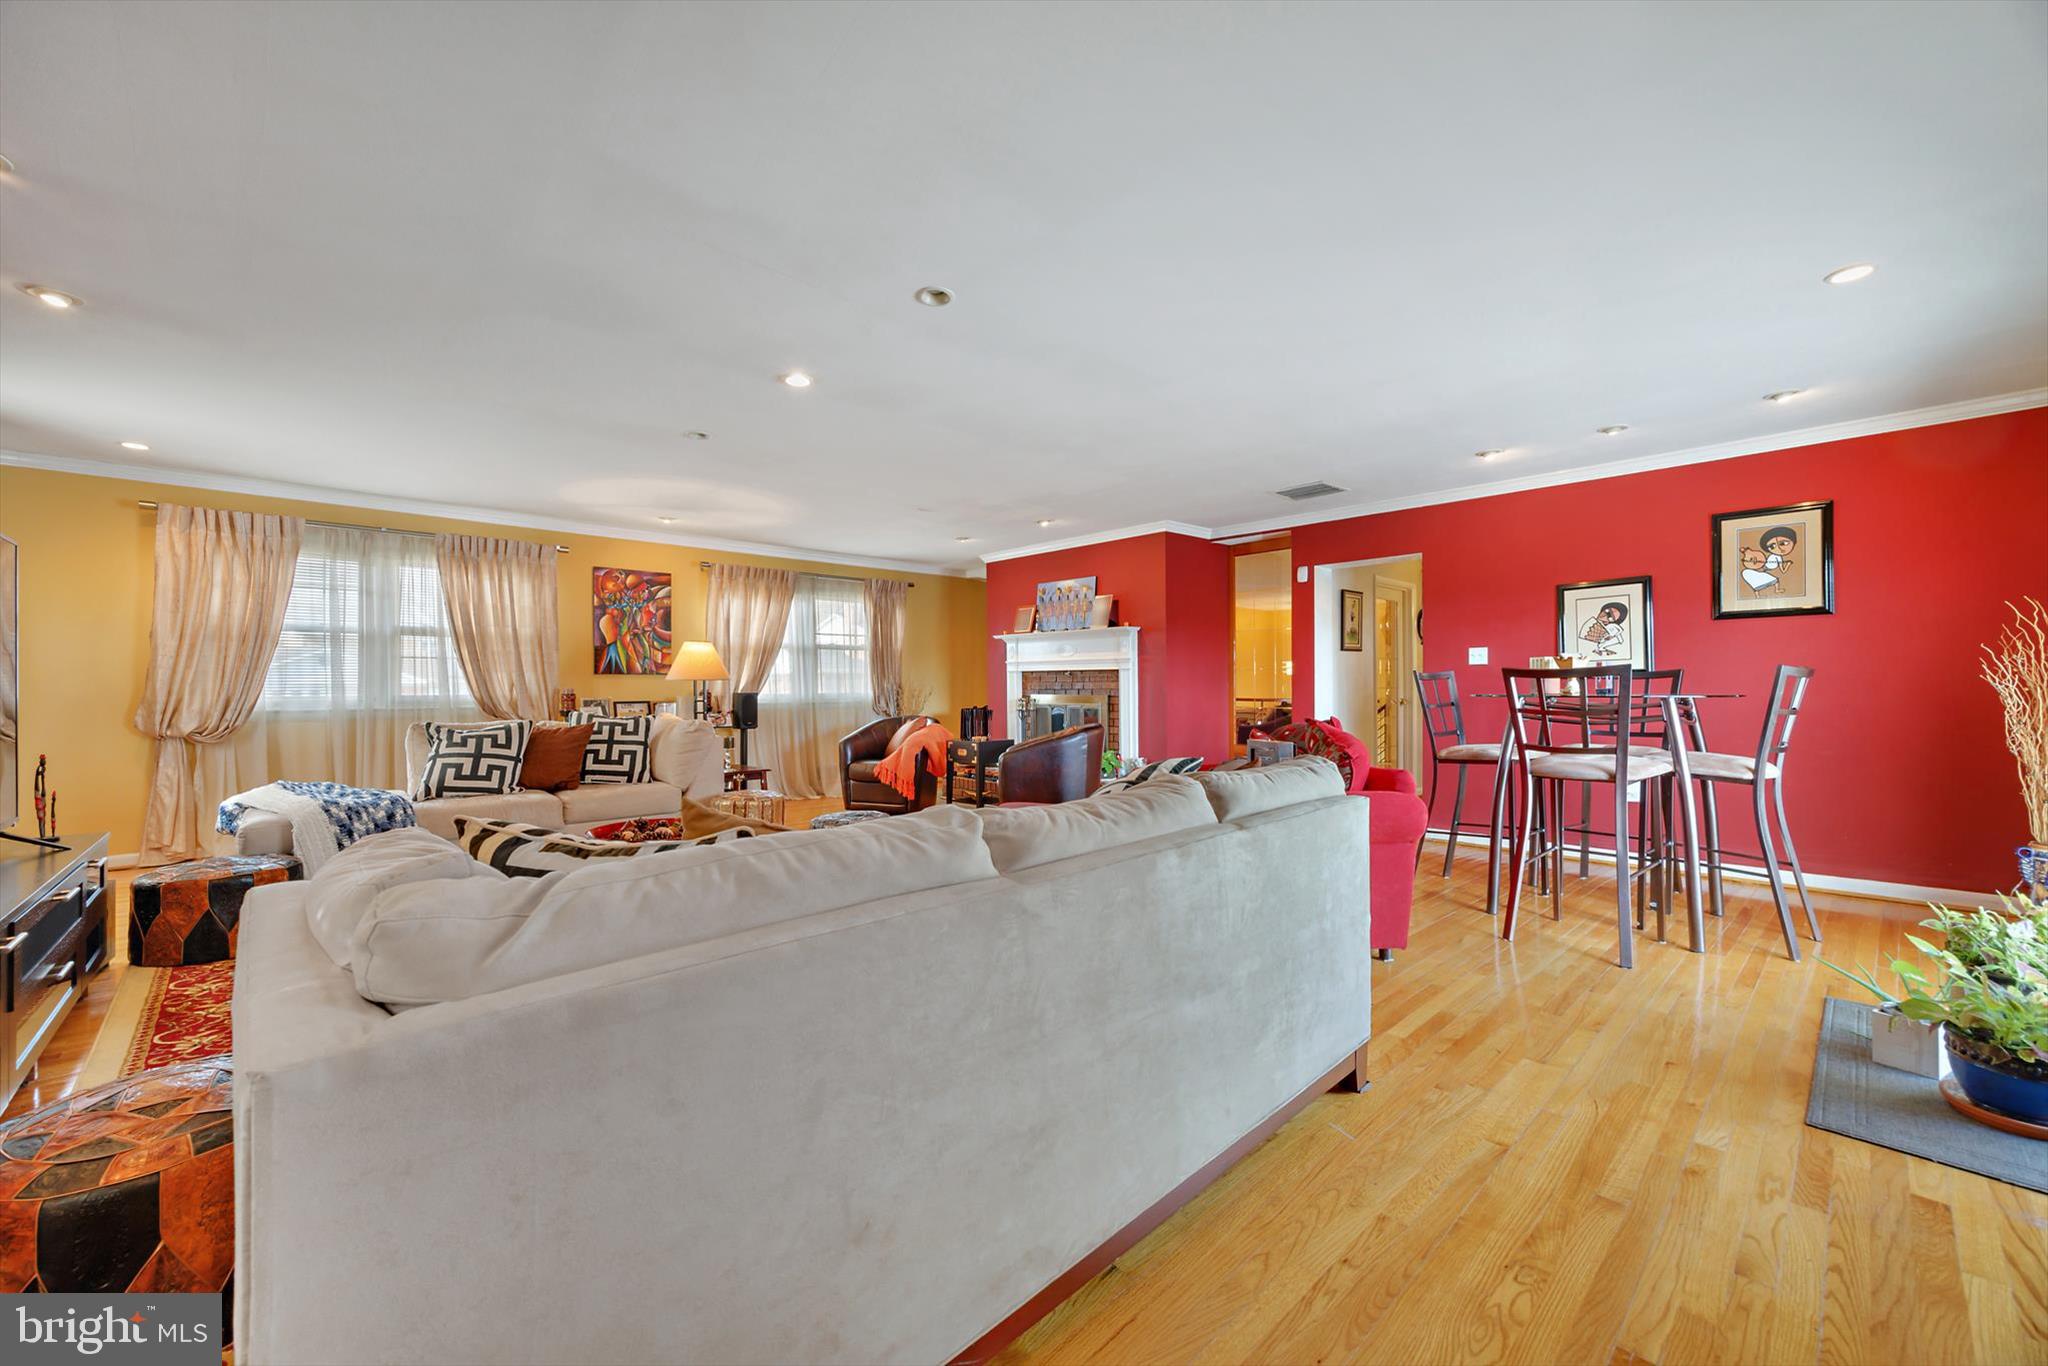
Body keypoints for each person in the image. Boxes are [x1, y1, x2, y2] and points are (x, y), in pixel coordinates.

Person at [1740, 525, 1798, 594]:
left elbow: (1782, 570)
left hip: (1764, 570)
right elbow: (1783, 570)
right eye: (1772, 546)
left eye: (1783, 543)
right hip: (1762, 570)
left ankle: (1775, 590)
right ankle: (1760, 594)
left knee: (1774, 580)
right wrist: (1788, 564)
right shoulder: (1775, 556)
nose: (1779, 548)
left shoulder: (1777, 557)